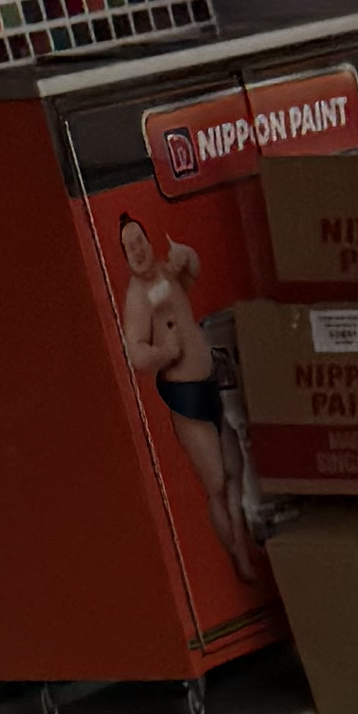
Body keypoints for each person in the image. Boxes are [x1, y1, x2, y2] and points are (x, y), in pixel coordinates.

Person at [118, 216, 254, 573]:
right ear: (125, 257)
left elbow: (191, 277)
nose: (138, 250)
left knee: (236, 470)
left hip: (210, 383)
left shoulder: (165, 273)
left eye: (139, 241)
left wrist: (186, 256)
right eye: (129, 247)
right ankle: (237, 557)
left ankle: (243, 544)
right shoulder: (137, 298)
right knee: (217, 483)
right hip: (186, 396)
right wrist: (164, 351)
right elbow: (135, 353)